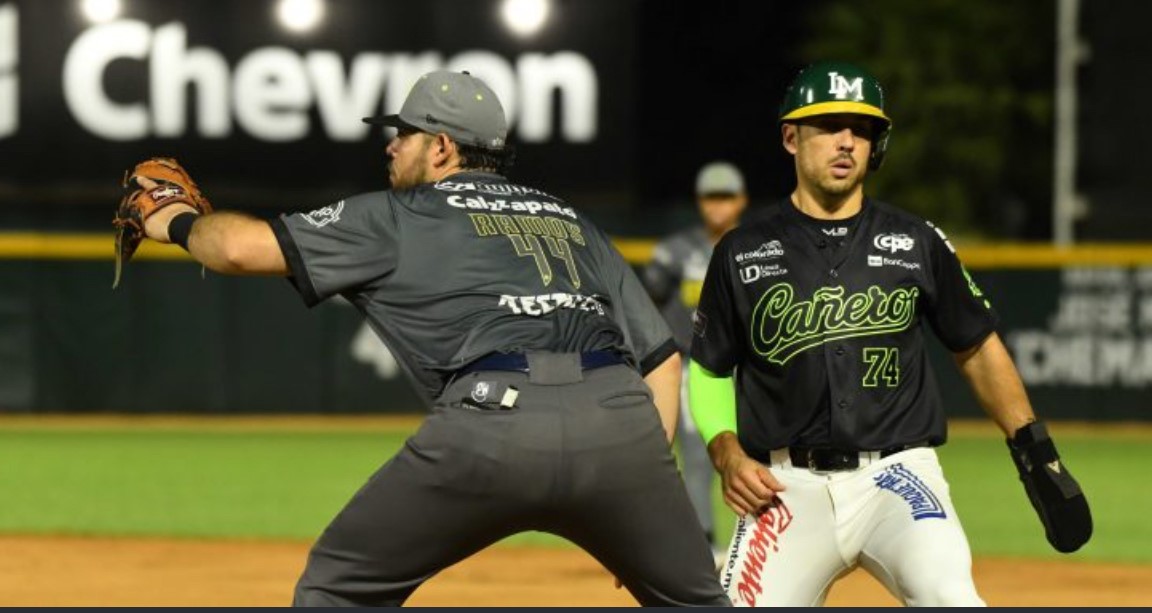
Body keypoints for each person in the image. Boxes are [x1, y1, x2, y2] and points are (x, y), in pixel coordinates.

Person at [129, 70, 730, 607]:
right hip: (619, 426)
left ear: (441, 146)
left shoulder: (402, 214)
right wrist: (642, 499)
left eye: (405, 133)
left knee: (335, 589)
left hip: (494, 425)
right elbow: (662, 361)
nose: (391, 146)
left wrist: (174, 216)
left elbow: (236, 249)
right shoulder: (572, 220)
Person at [687, 61, 1091, 606]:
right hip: (785, 488)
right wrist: (727, 453)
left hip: (898, 478)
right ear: (790, 137)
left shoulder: (915, 240)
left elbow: (976, 345)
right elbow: (710, 367)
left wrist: (1033, 450)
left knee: (952, 598)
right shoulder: (740, 251)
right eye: (829, 125)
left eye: (861, 129)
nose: (846, 141)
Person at [642, 161, 747, 561]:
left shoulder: (758, 246)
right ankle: (702, 544)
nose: (718, 206)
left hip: (746, 369)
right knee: (700, 453)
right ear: (700, 202)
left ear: (741, 201)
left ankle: (756, 543)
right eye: (710, 197)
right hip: (692, 367)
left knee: (756, 452)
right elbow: (645, 303)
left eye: (726, 197)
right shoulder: (675, 251)